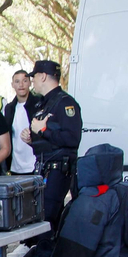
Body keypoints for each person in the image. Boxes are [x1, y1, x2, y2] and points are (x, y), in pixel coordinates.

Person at [24, 59, 83, 241]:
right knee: (41, 217)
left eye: (33, 77)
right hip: (44, 167)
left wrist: (43, 130)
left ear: (42, 76)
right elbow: (48, 140)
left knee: (48, 218)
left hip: (58, 170)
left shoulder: (65, 103)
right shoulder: (43, 104)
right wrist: (32, 138)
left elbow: (72, 139)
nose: (32, 82)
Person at [4, 70, 40, 175]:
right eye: (17, 81)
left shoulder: (39, 104)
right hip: (15, 165)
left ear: (30, 83)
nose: (21, 85)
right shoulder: (9, 108)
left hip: (35, 163)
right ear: (12, 85)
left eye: (25, 81)